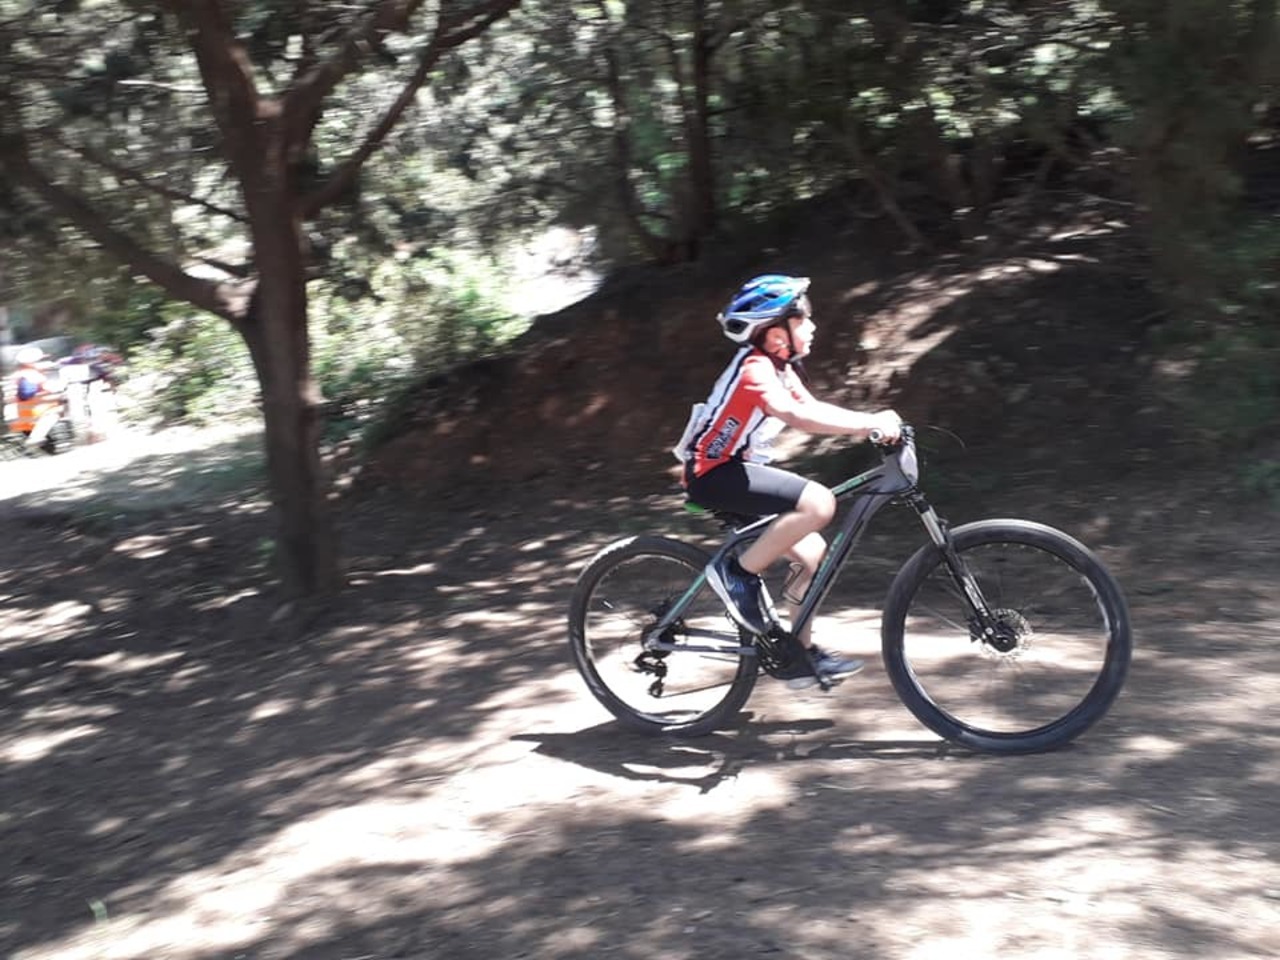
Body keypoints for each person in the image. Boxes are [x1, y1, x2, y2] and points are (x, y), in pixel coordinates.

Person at [676, 275, 902, 689]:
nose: (812, 326)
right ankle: (736, 573)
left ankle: (798, 655)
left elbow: (812, 408)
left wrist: (868, 423)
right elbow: (795, 416)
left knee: (811, 553)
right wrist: (870, 422)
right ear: (775, 332)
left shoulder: (780, 368)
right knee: (818, 503)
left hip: (735, 469)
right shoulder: (754, 368)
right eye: (804, 319)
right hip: (713, 473)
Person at [12, 346, 64, 449]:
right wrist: (51, 394)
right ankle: (36, 437)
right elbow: (27, 394)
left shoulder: (25, 373)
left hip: (26, 411)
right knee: (54, 413)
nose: (45, 363)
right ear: (31, 362)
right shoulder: (30, 375)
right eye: (40, 360)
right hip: (32, 411)